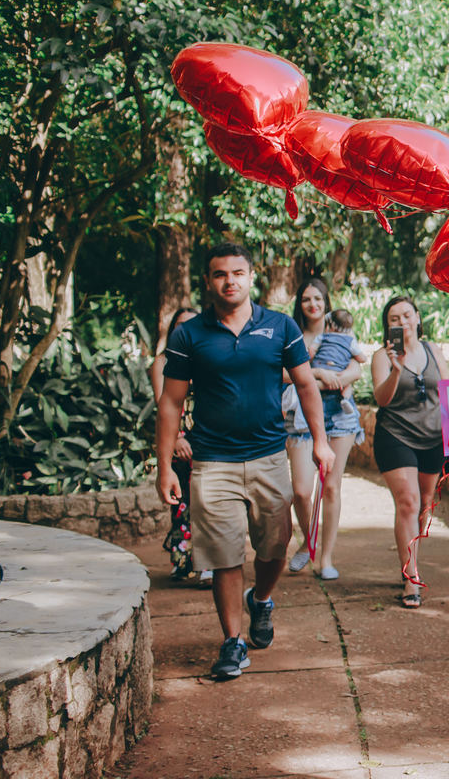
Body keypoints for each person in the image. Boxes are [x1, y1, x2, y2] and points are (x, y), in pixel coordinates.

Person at [156, 243, 334, 681]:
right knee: (224, 556)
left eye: (237, 273)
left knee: (275, 549)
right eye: (220, 274)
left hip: (269, 455)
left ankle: (261, 600)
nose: (229, 281)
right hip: (212, 462)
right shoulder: (189, 334)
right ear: (208, 280)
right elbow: (170, 403)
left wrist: (320, 442)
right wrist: (163, 466)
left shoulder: (279, 326)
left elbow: (307, 386)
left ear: (251, 277)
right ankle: (232, 643)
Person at [370, 295, 449, 608]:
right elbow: (382, 399)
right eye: (393, 319)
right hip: (395, 435)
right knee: (408, 501)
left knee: (424, 504)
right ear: (387, 326)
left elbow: (447, 389)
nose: (401, 322)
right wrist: (395, 369)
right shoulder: (381, 356)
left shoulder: (433, 350)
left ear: (417, 318)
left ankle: (410, 557)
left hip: (433, 437)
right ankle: (410, 576)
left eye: (406, 315)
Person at [284, 278, 365, 581]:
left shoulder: (342, 332)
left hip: (340, 416)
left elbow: (357, 367)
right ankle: (309, 540)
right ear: (300, 304)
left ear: (326, 302)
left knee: (331, 487)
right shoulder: (292, 333)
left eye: (318, 299)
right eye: (306, 299)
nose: (313, 305)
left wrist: (341, 379)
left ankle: (324, 558)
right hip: (303, 415)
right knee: (302, 491)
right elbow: (282, 374)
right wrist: (317, 373)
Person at [149, 306, 213, 584]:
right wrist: (175, 439)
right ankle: (181, 558)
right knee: (182, 503)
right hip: (178, 438)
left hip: (206, 439)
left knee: (208, 503)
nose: (185, 329)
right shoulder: (161, 362)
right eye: (180, 324)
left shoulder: (207, 358)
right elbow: (164, 404)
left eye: (191, 324)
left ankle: (208, 562)